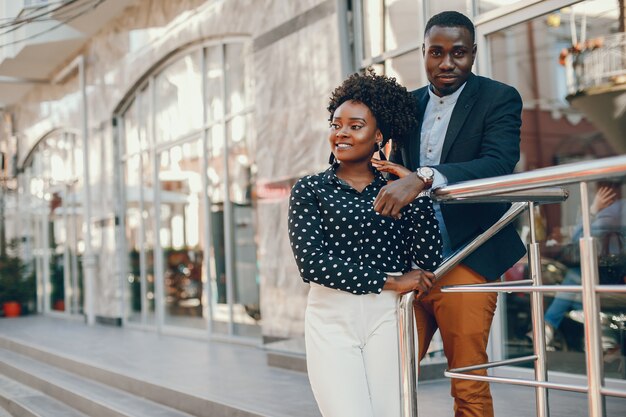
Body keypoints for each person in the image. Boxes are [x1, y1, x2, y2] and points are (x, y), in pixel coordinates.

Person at [371, 11, 525, 417]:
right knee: (387, 373)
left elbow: (498, 162)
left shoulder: (499, 98)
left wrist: (422, 177)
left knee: (467, 384)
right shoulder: (407, 105)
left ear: (473, 53)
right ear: (423, 52)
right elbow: (378, 158)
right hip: (410, 264)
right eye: (436, 52)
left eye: (458, 52)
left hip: (468, 256)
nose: (446, 63)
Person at [288, 70, 442, 417]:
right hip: (331, 316)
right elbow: (312, 263)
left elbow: (428, 256)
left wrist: (414, 190)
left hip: (388, 317)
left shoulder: (396, 190)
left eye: (355, 126)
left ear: (379, 136)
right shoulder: (310, 189)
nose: (341, 132)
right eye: (335, 123)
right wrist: (392, 281)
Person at [544, 182, 625, 347]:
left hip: (610, 274)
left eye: (596, 190)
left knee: (574, 277)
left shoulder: (614, 210)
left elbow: (578, 238)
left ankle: (548, 327)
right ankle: (602, 338)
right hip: (613, 271)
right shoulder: (617, 209)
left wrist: (594, 208)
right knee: (574, 285)